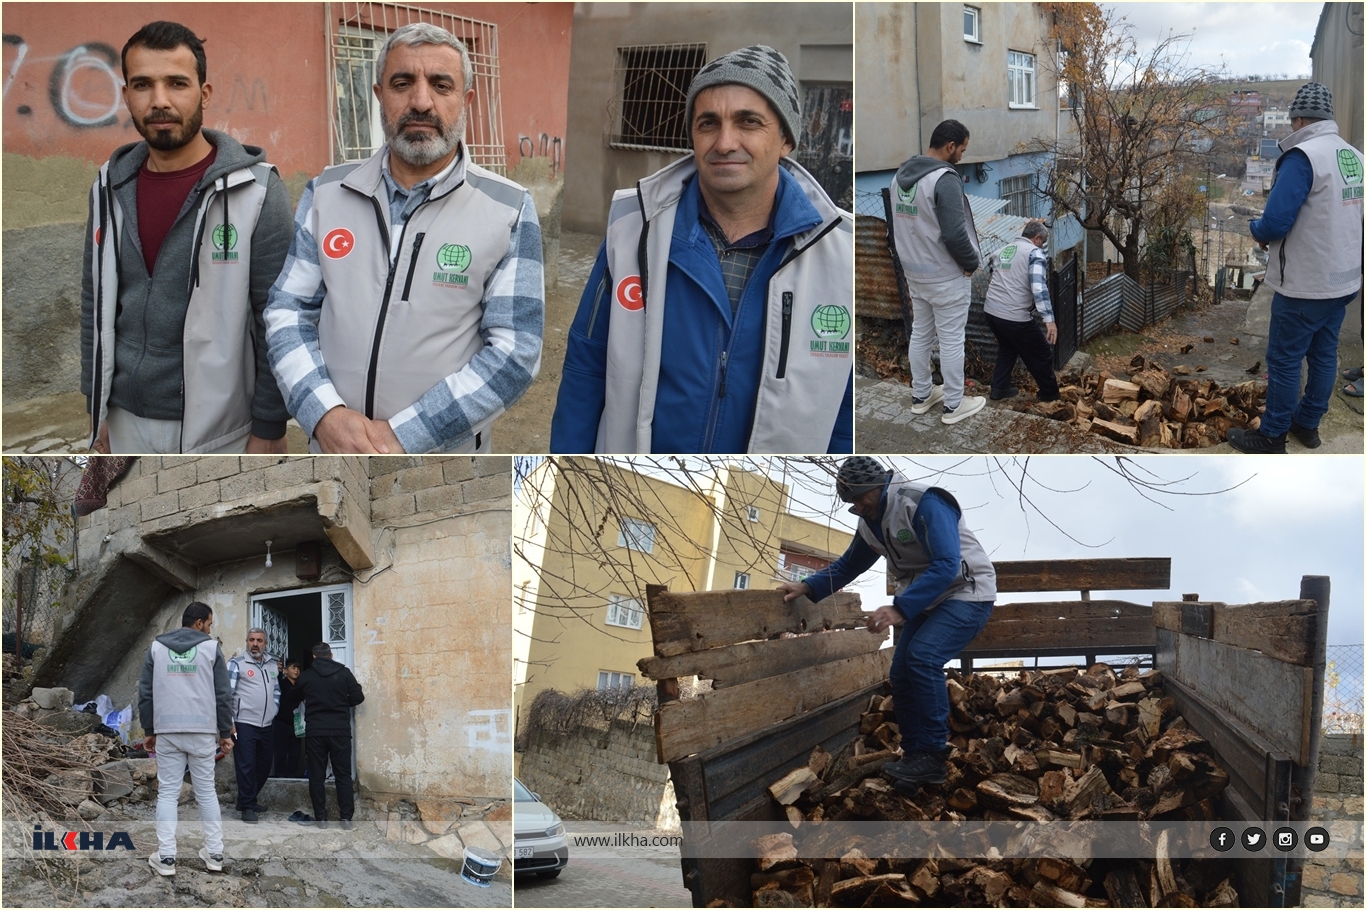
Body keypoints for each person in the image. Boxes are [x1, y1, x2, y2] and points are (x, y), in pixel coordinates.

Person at [549, 45, 854, 454]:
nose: (725, 142)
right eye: (708, 123)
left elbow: (845, 410)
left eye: (748, 122)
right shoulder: (634, 228)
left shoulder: (838, 252)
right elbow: (586, 367)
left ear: (785, 139)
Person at [265, 23, 543, 455]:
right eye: (402, 83)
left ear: (466, 101)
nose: (420, 101)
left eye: (441, 85)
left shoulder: (508, 208)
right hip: (332, 452)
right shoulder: (326, 193)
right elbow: (288, 311)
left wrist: (404, 436)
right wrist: (324, 415)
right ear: (379, 95)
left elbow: (514, 352)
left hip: (441, 466)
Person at [82, 21, 293, 455]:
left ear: (204, 92)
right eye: (143, 85)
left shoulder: (256, 191)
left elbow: (277, 319)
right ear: (126, 95)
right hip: (123, 422)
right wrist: (96, 411)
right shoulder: (107, 186)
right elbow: (94, 302)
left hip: (221, 431)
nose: (159, 101)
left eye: (177, 83)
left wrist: (269, 427)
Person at [776, 457, 996, 790]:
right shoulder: (869, 520)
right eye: (852, 502)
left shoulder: (925, 502)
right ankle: (913, 755)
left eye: (863, 498)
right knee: (900, 673)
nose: (859, 507)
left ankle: (934, 757)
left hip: (966, 590)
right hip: (924, 599)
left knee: (923, 657)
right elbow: (850, 564)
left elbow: (948, 563)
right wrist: (808, 585)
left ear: (882, 485)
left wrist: (900, 608)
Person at [1230, 82, 1364, 453]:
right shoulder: (1352, 156)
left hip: (1306, 283)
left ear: (1299, 118)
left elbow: (1274, 223)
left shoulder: (1303, 157)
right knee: (1324, 354)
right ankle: (1307, 424)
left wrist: (1256, 229)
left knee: (1285, 359)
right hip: (1344, 280)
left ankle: (1272, 435)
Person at [888, 119, 986, 425]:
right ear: (950, 146)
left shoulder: (900, 178)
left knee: (921, 335)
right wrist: (971, 263)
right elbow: (955, 235)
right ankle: (954, 405)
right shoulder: (944, 179)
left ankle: (921, 396)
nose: (961, 157)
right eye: (962, 150)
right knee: (951, 340)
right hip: (945, 276)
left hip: (915, 275)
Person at [137, 602, 234, 876]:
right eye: (210, 624)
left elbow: (145, 692)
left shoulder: (157, 647)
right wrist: (224, 733)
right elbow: (223, 695)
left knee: (168, 793)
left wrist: (148, 731)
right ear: (200, 622)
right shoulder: (211, 649)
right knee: (206, 792)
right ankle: (214, 854)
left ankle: (166, 857)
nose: (210, 629)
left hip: (167, 730)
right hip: (202, 731)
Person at [280, 643, 365, 829]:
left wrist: (309, 697)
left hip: (316, 732)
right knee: (343, 774)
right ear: (331, 655)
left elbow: (291, 698)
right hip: (340, 731)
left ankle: (321, 818)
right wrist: (342, 702)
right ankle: (346, 819)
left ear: (314, 657)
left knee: (316, 775)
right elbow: (358, 697)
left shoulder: (307, 676)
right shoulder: (344, 673)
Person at [982, 220, 1062, 402]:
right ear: (1036, 238)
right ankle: (1050, 395)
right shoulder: (1034, 253)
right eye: (1043, 241)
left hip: (992, 312)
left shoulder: (1004, 250)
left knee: (1008, 347)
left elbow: (991, 268)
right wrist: (1049, 320)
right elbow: (1039, 287)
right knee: (1042, 352)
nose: (1043, 246)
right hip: (1014, 316)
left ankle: (999, 389)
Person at [227, 628, 278, 823]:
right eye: (251, 640)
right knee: (246, 765)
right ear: (246, 642)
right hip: (244, 724)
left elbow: (276, 691)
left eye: (259, 640)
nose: (255, 644)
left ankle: (246, 799)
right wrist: (229, 723)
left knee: (264, 766)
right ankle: (247, 806)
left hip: (267, 724)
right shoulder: (236, 664)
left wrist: (274, 709)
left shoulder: (272, 665)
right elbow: (226, 696)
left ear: (265, 643)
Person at [273, 659, 304, 778]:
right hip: (281, 722)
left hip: (296, 723)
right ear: (286, 670)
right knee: (281, 751)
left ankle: (292, 775)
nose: (296, 671)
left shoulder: (300, 685)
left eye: (298, 668)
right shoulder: (281, 683)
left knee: (295, 753)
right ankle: (280, 775)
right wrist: (278, 671)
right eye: (293, 668)